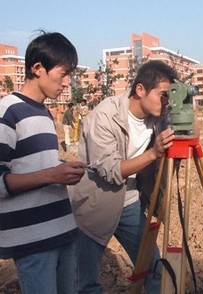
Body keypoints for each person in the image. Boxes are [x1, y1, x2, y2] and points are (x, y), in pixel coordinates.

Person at [70, 60, 178, 293]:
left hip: (129, 201)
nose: (166, 101)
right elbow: (111, 170)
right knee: (86, 282)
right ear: (140, 90)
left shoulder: (159, 114)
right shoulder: (105, 115)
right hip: (95, 203)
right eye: (162, 95)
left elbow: (189, 137)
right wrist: (153, 153)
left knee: (153, 267)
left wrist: (187, 110)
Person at [0, 32, 86, 293]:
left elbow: (36, 164)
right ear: (38, 68)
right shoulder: (8, 112)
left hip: (62, 233)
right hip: (33, 243)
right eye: (62, 74)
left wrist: (64, 170)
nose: (66, 83)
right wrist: (52, 175)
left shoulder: (44, 113)